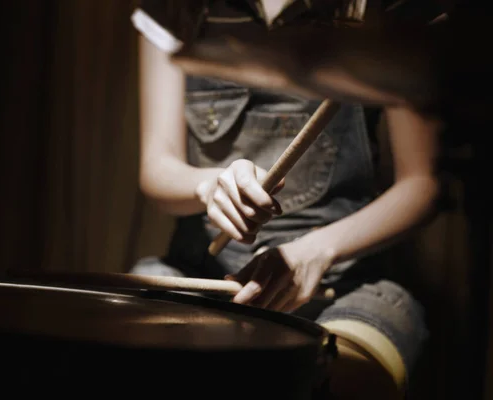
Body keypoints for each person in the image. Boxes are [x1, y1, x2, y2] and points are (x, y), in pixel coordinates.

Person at [129, 1, 442, 398]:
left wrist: (316, 251)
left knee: (335, 382)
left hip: (345, 282)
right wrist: (210, 187)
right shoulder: (177, 7)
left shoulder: (382, 7)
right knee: (126, 365)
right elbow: (156, 168)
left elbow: (422, 185)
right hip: (200, 273)